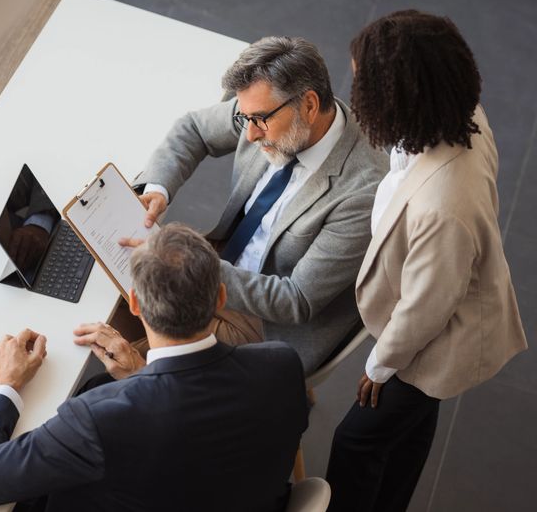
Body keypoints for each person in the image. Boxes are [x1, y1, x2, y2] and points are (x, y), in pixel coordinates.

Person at [0, 223, 308, 512]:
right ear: (221, 298)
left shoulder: (99, 420)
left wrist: (5, 386)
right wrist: (139, 377)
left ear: (134, 303)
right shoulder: (282, 364)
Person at [325, 10, 528, 512]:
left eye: (365, 84)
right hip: (435, 318)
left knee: (356, 441)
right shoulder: (454, 112)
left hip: (432, 339)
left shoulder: (443, 207)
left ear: (400, 95)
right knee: (409, 427)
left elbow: (425, 309)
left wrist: (379, 365)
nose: (357, 94)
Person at [126, 36, 388, 374]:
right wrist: (159, 188)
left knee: (131, 360)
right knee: (123, 299)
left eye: (259, 121)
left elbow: (296, 300)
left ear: (309, 106)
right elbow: (194, 129)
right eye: (244, 119)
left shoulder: (364, 192)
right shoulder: (263, 108)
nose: (249, 135)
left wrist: (193, 268)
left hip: (268, 323)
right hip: (223, 265)